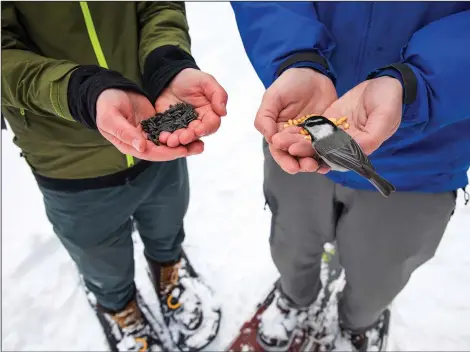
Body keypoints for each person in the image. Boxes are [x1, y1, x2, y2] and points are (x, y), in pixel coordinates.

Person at [231, 2, 470, 351]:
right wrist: (295, 55)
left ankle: (359, 323)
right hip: (300, 149)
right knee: (291, 243)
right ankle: (293, 298)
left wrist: (417, 84)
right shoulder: (313, 132)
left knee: (380, 274)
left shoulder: (337, 136)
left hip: (424, 159)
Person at [1, 2, 227, 351]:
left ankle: (170, 271)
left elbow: (159, 5)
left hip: (156, 132)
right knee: (100, 259)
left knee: (167, 226)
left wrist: (166, 61)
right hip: (67, 161)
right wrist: (78, 91)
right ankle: (119, 305)